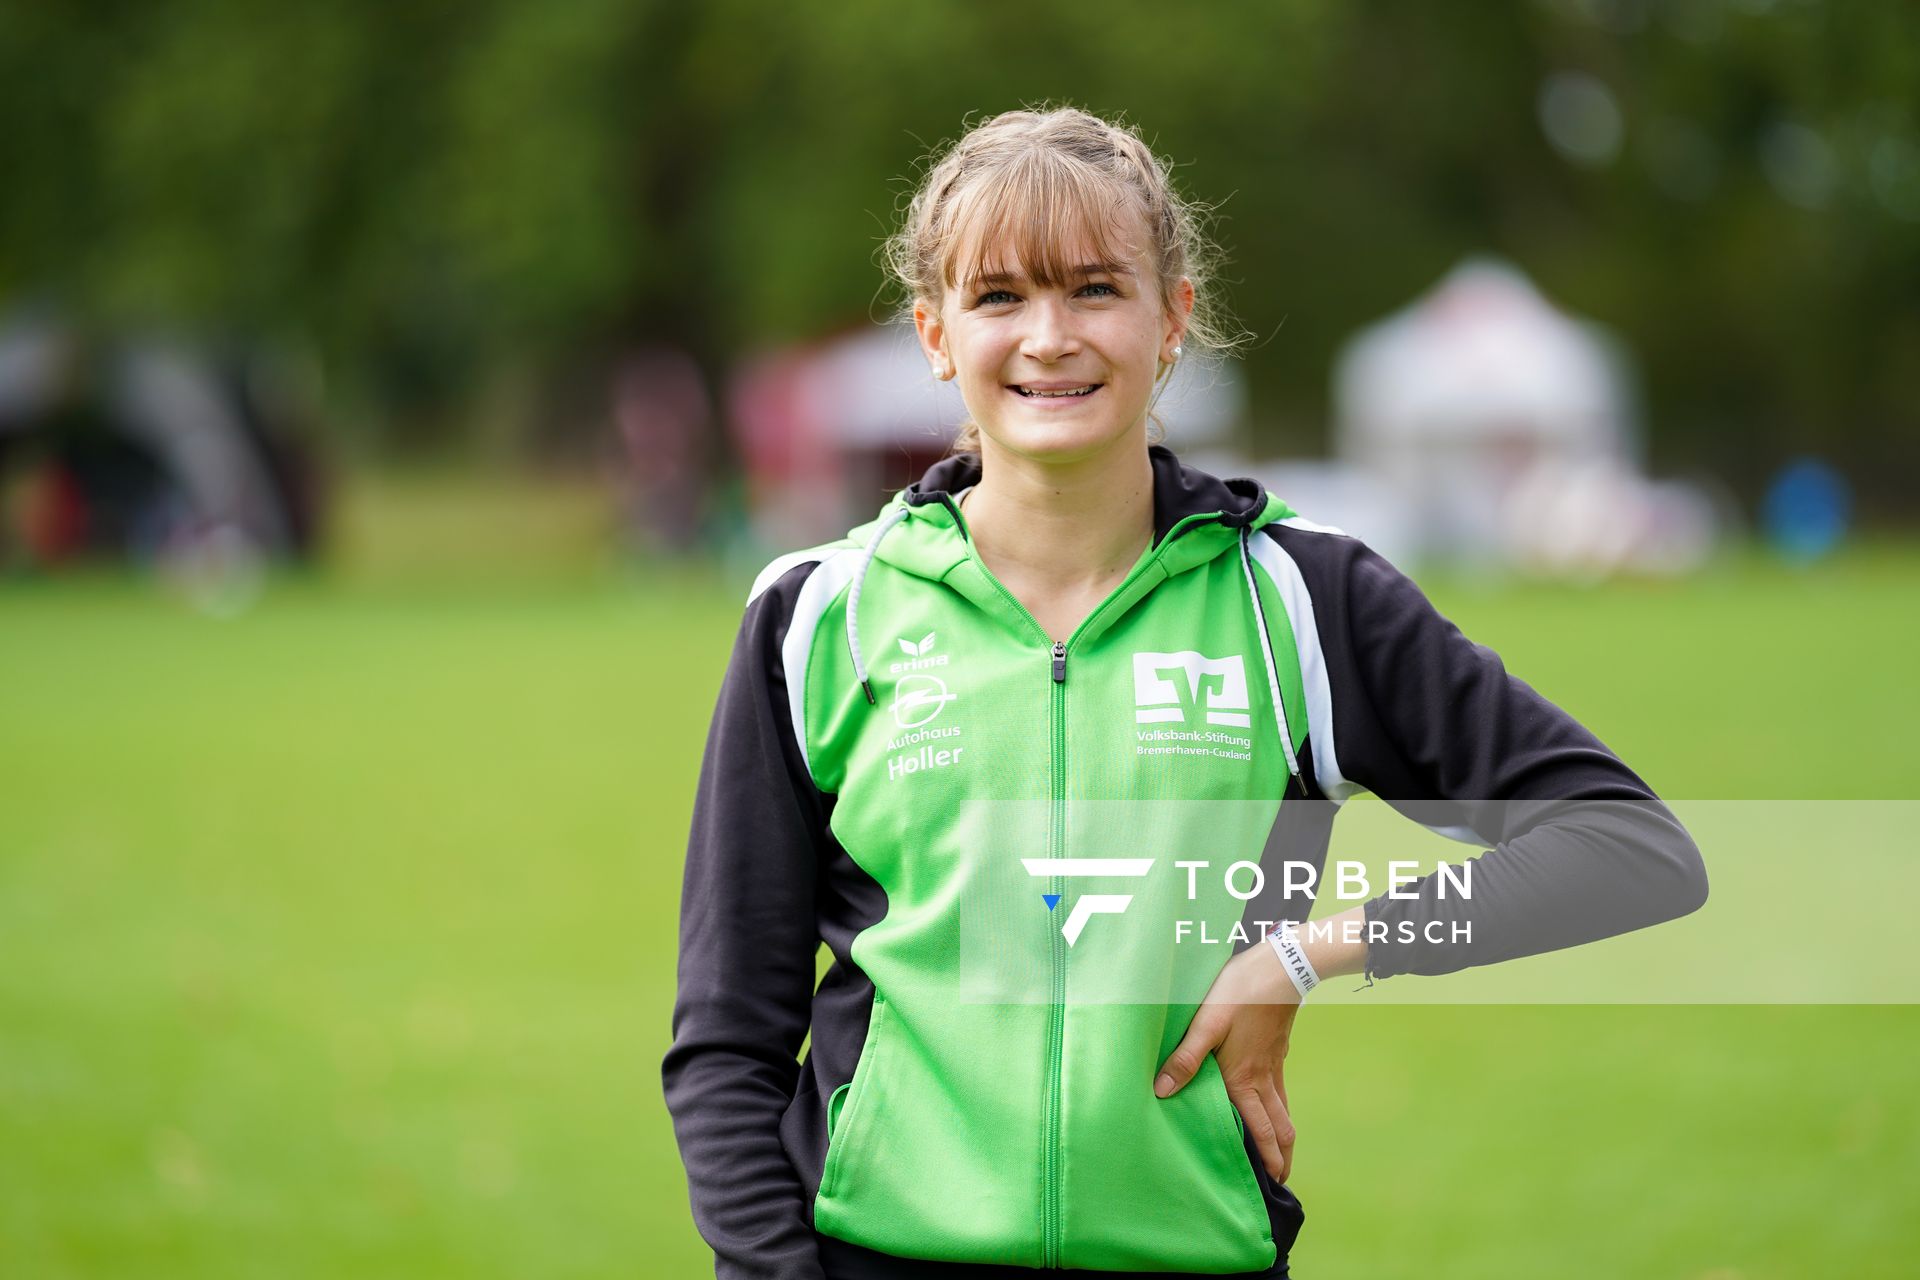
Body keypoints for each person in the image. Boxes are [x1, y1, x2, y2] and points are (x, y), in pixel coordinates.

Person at [662, 106, 1708, 1279]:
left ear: (1174, 321)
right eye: (999, 295)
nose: (1049, 336)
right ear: (935, 335)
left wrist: (1310, 954)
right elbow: (727, 1041)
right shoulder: (819, 613)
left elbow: (1631, 846)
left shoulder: (1303, 600)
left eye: (1096, 288)